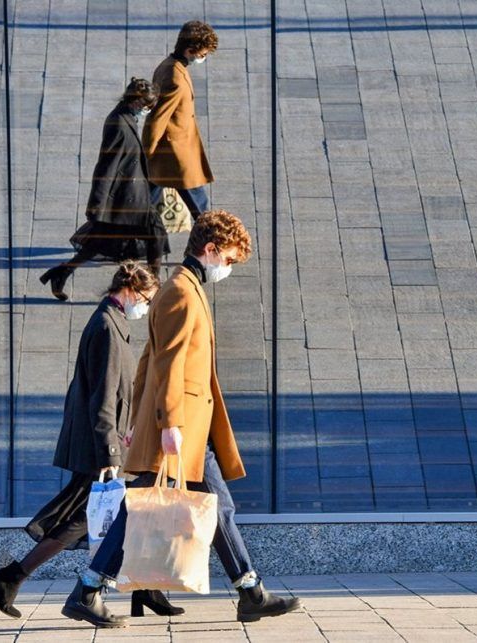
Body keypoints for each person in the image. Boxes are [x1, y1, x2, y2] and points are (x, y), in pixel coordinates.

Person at [61, 211, 303, 628]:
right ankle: (89, 589)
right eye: (227, 259)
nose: (227, 268)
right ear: (209, 250)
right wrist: (167, 423)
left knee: (206, 508)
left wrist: (141, 419)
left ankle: (249, 592)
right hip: (179, 429)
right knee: (160, 512)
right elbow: (167, 362)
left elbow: (146, 363)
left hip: (186, 428)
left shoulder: (183, 288)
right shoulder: (181, 292)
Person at [0, 261, 181, 621]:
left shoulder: (111, 321)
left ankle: (140, 588)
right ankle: (25, 579)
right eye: (147, 299)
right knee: (85, 521)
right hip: (98, 445)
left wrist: (123, 432)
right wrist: (111, 449)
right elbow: (102, 396)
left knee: (110, 516)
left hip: (105, 439)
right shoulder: (106, 326)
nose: (146, 308)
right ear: (131, 290)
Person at [40, 78, 169, 301]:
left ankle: (62, 273)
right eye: (148, 106)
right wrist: (97, 203)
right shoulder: (118, 124)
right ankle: (154, 287)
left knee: (104, 241)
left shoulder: (126, 115)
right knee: (153, 233)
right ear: (137, 102)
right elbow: (106, 166)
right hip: (125, 198)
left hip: (133, 194)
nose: (149, 111)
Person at [144, 21, 218, 220]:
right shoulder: (175, 77)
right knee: (200, 207)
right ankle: (212, 240)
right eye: (202, 54)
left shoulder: (169, 65)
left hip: (170, 151)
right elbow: (158, 118)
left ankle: (130, 238)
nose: (203, 58)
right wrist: (146, 152)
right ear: (190, 50)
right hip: (177, 153)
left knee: (146, 202)